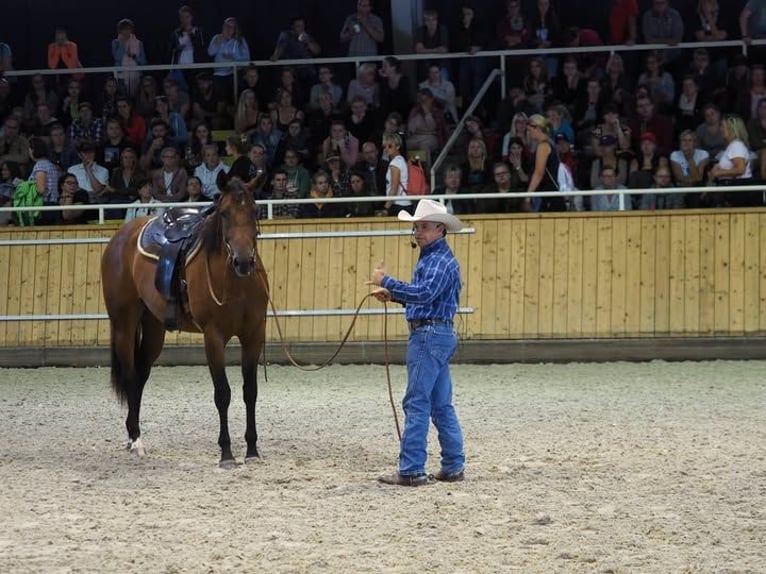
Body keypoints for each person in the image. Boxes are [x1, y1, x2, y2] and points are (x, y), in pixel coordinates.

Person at [368, 199, 466, 487]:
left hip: (428, 335)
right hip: (438, 333)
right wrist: (394, 294)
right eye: (416, 227)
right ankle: (453, 464)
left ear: (440, 228)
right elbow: (426, 296)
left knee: (417, 401)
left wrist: (389, 282)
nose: (417, 231)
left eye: (423, 226)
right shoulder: (438, 258)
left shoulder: (437, 260)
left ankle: (411, 468)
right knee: (439, 403)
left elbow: (424, 294)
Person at [526, 114, 566, 212]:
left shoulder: (543, 146)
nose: (528, 133)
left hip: (548, 195)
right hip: (551, 194)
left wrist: (527, 196)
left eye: (529, 130)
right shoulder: (550, 143)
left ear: (538, 128)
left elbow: (539, 173)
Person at [111, 19, 147, 98]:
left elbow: (143, 61)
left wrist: (134, 57)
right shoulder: (115, 43)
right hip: (121, 76)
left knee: (135, 97)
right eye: (123, 29)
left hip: (136, 75)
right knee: (123, 97)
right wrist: (122, 44)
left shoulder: (138, 43)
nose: (126, 32)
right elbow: (117, 58)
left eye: (128, 29)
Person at [382, 132, 410, 216]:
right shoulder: (401, 160)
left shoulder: (395, 163)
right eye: (384, 146)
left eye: (390, 146)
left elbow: (394, 188)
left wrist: (386, 207)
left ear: (397, 146)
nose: (386, 149)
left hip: (399, 204)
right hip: (405, 202)